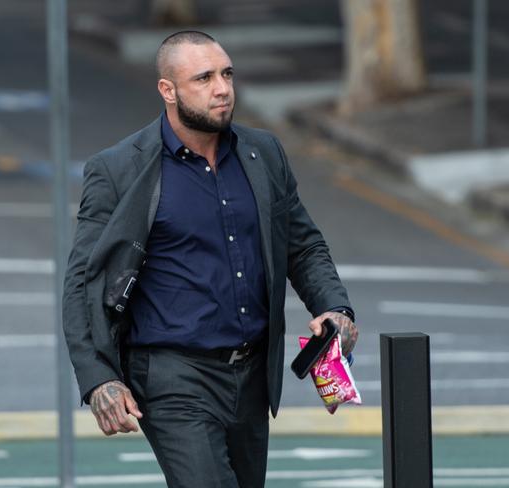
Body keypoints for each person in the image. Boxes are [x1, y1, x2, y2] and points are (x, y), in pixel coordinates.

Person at [62, 30, 358, 488]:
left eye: (226, 74)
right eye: (203, 78)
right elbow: (84, 281)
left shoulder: (264, 155)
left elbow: (302, 245)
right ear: (168, 90)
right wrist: (99, 378)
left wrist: (335, 307)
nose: (222, 88)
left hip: (253, 376)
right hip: (172, 377)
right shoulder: (119, 169)